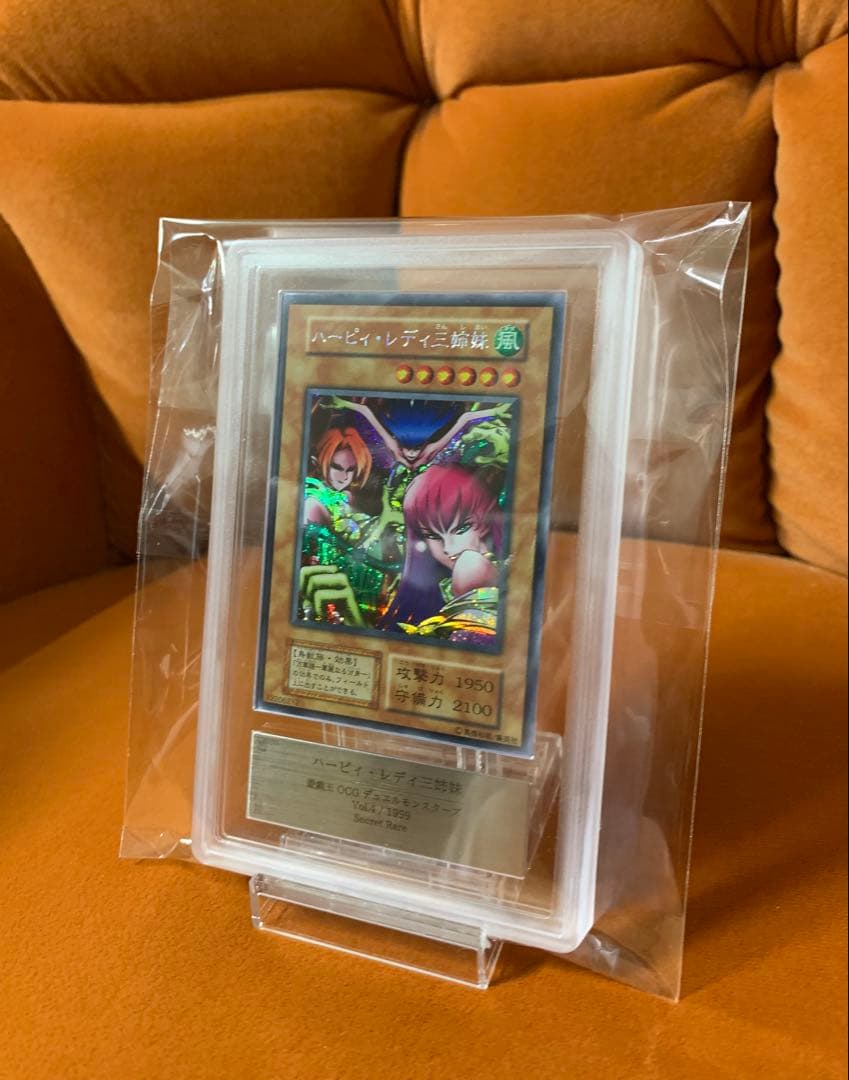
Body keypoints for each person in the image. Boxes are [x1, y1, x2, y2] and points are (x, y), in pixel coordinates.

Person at [383, 464, 504, 647]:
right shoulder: (433, 591)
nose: (448, 548)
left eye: (461, 529)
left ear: (484, 519)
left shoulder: (481, 565)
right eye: (432, 536)